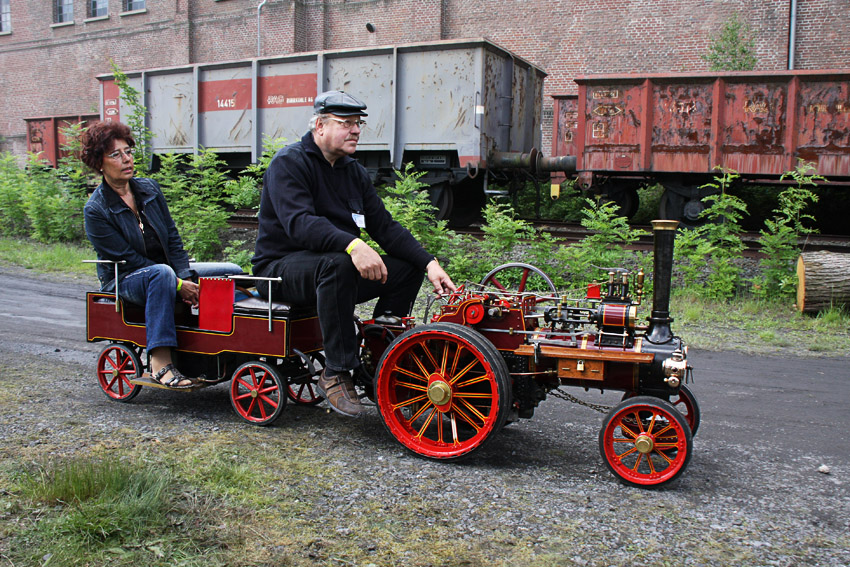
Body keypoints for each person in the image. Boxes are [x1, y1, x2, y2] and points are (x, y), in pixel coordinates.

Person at [252, 90, 456, 417]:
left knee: (405, 269)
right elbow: (299, 224)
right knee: (338, 263)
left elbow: (384, 227)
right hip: (279, 270)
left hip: (333, 271)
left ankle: (381, 358)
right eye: (346, 123)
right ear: (319, 126)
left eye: (358, 123)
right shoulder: (288, 163)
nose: (356, 130)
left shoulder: (353, 172)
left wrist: (428, 262)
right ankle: (336, 370)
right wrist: (353, 245)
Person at [82, 121, 242, 389]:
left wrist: (184, 275)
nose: (126, 159)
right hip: (126, 280)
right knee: (161, 273)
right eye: (116, 154)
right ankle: (160, 362)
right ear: (99, 163)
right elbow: (129, 259)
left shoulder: (150, 189)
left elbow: (173, 239)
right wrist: (178, 284)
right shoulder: (96, 210)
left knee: (232, 270)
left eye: (128, 151)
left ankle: (227, 342)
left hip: (165, 272)